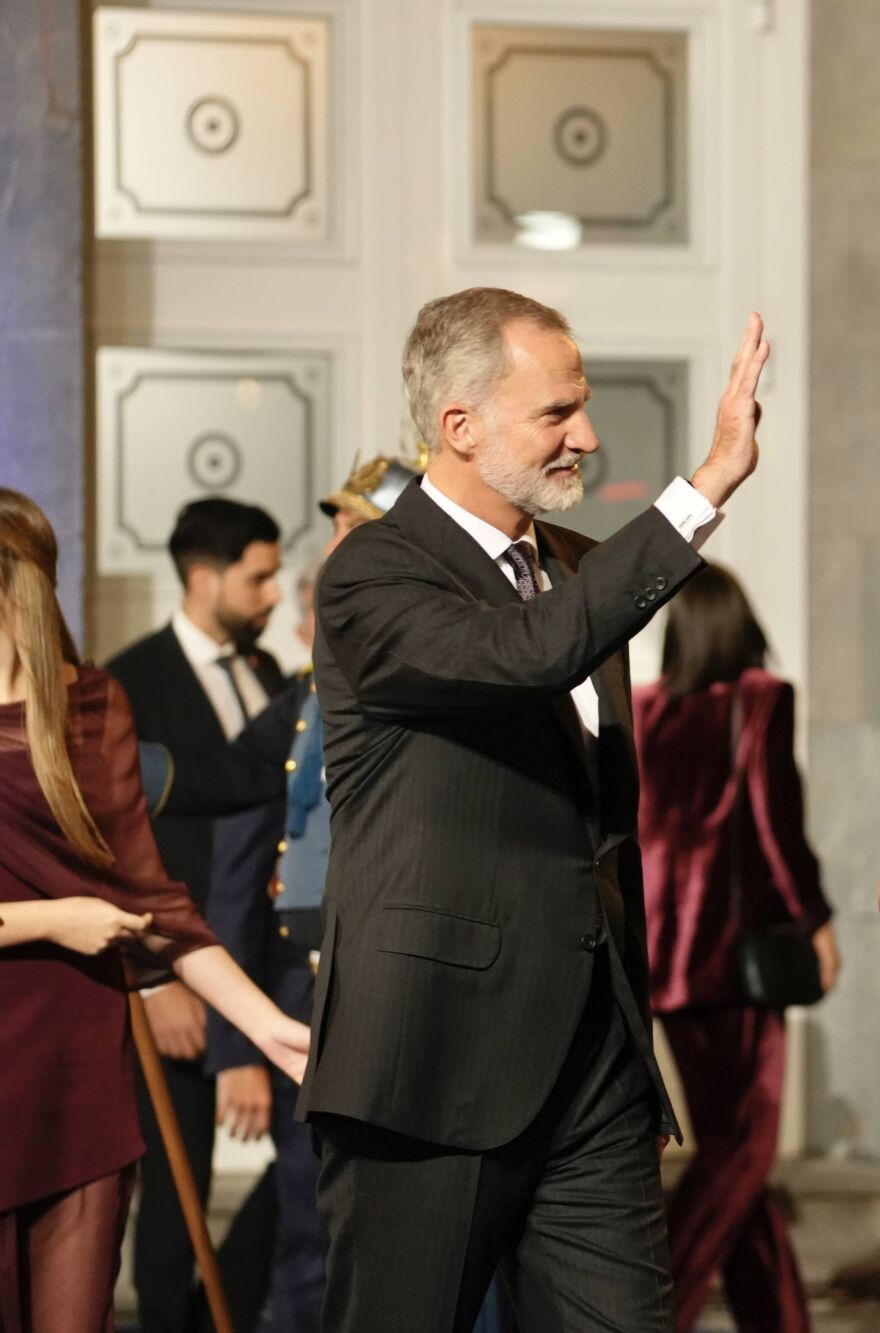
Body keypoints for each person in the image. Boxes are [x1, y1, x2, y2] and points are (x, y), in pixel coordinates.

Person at [304, 287, 769, 1331]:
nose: (588, 436)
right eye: (555, 413)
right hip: (428, 1066)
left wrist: (630, 1039)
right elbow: (529, 654)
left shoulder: (571, 570)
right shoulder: (373, 573)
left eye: (582, 405)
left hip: (591, 1067)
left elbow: (603, 836)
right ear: (458, 426)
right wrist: (703, 488)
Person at [0, 487, 310, 1331]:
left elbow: (156, 900)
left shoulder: (95, 706)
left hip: (78, 1066)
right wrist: (52, 919)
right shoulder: (121, 685)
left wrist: (264, 1026)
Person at [201, 454, 425, 1333]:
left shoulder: (424, 677)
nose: (334, 555)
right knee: (309, 1219)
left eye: (357, 534)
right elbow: (234, 858)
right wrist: (237, 1043)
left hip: (394, 976)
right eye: (335, 533)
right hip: (303, 982)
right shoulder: (304, 696)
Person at [634, 562, 838, 1333]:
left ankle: (778, 1318)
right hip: (735, 957)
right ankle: (653, 1308)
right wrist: (815, 920)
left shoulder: (648, 709)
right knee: (740, 1151)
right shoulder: (761, 699)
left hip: (661, 960)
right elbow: (774, 824)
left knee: (729, 1153)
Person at [105, 496, 290, 1333]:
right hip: (170, 977)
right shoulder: (126, 683)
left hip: (265, 962)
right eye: (260, 576)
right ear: (204, 577)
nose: (276, 594)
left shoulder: (275, 677)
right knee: (175, 1201)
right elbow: (106, 842)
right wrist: (150, 985)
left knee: (297, 1176)